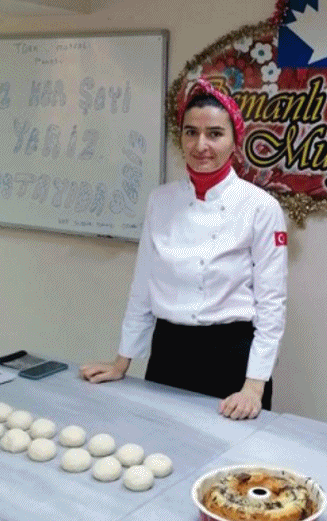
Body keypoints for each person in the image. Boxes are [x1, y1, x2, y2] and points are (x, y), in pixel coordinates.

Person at [80, 79, 288, 419]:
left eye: (215, 134)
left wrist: (254, 386)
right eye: (191, 132)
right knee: (158, 442)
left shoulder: (260, 207)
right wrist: (121, 362)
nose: (201, 145)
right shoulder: (160, 200)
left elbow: (271, 303)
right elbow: (143, 287)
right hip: (169, 352)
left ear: (235, 140)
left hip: (231, 357)